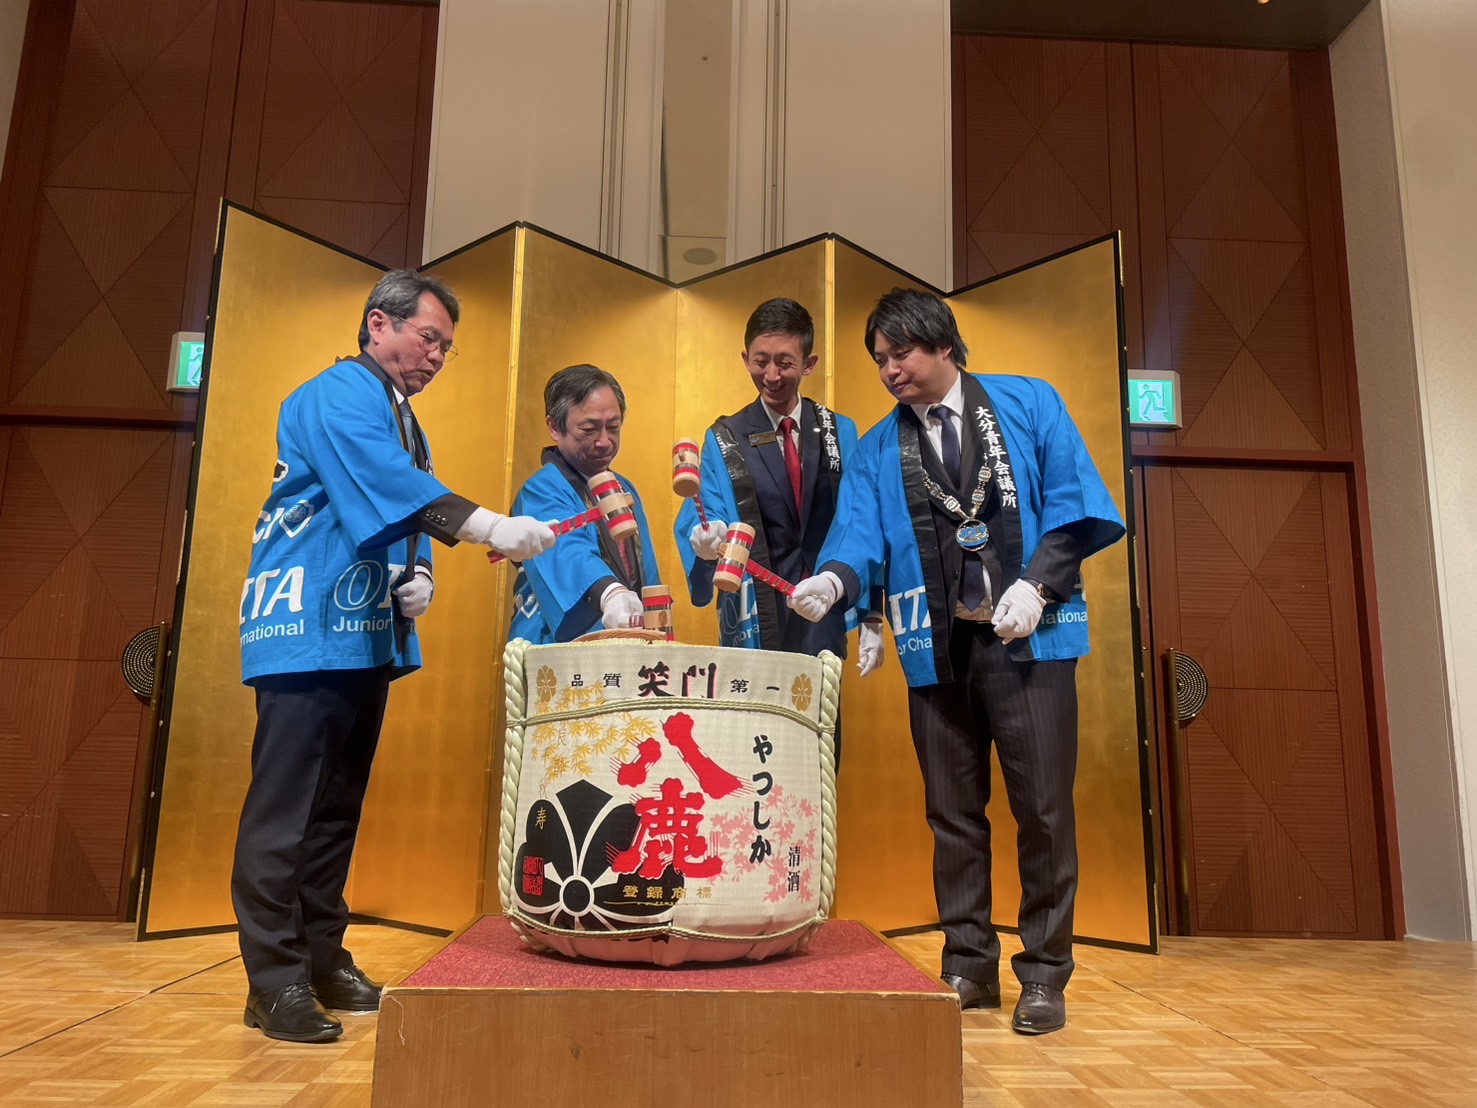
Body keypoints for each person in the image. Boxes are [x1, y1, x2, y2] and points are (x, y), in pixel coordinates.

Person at [786, 288, 1124, 1034]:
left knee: (1042, 810)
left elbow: (1072, 502)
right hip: (937, 647)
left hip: (1028, 641)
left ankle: (1044, 974)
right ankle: (967, 963)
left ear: (943, 344)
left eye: (900, 353)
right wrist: (833, 582)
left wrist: (1038, 585)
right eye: (879, 359)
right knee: (951, 815)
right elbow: (857, 535)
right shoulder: (879, 447)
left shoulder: (1029, 403)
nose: (889, 371)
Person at [233, 270, 556, 1043]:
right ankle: (272, 979)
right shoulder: (339, 391)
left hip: (359, 627)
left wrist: (420, 572)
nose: (437, 356)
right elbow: (380, 480)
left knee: (335, 808)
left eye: (446, 347)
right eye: (428, 338)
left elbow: (406, 502)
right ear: (379, 323)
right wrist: (486, 527)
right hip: (305, 622)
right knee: (286, 810)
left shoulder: (400, 415)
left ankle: (321, 957)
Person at [674, 298, 877, 763]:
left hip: (820, 605)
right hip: (754, 609)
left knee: (819, 744)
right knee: (752, 749)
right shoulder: (724, 437)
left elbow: (860, 520)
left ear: (809, 363)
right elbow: (705, 509)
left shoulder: (839, 431)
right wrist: (705, 538)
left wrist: (870, 611)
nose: (771, 375)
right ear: (745, 357)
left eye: (785, 362)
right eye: (760, 361)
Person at [508, 364, 663, 643]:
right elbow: (568, 555)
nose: (604, 441)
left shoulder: (624, 488)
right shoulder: (541, 489)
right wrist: (610, 593)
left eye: (613, 428)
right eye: (589, 429)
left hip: (625, 642)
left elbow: (647, 573)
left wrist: (656, 628)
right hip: (552, 642)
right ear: (555, 427)